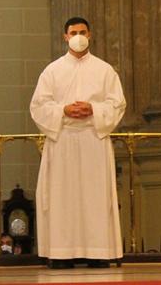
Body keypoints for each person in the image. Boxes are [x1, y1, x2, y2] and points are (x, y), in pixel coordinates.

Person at [30, 17, 125, 269]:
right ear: (65, 37)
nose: (78, 36)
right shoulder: (52, 71)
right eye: (73, 32)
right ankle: (62, 253)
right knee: (62, 198)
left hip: (93, 138)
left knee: (95, 197)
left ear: (90, 35)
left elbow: (117, 104)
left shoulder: (105, 70)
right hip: (63, 140)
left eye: (83, 32)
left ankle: (98, 252)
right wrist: (64, 110)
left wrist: (93, 108)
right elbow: (39, 105)